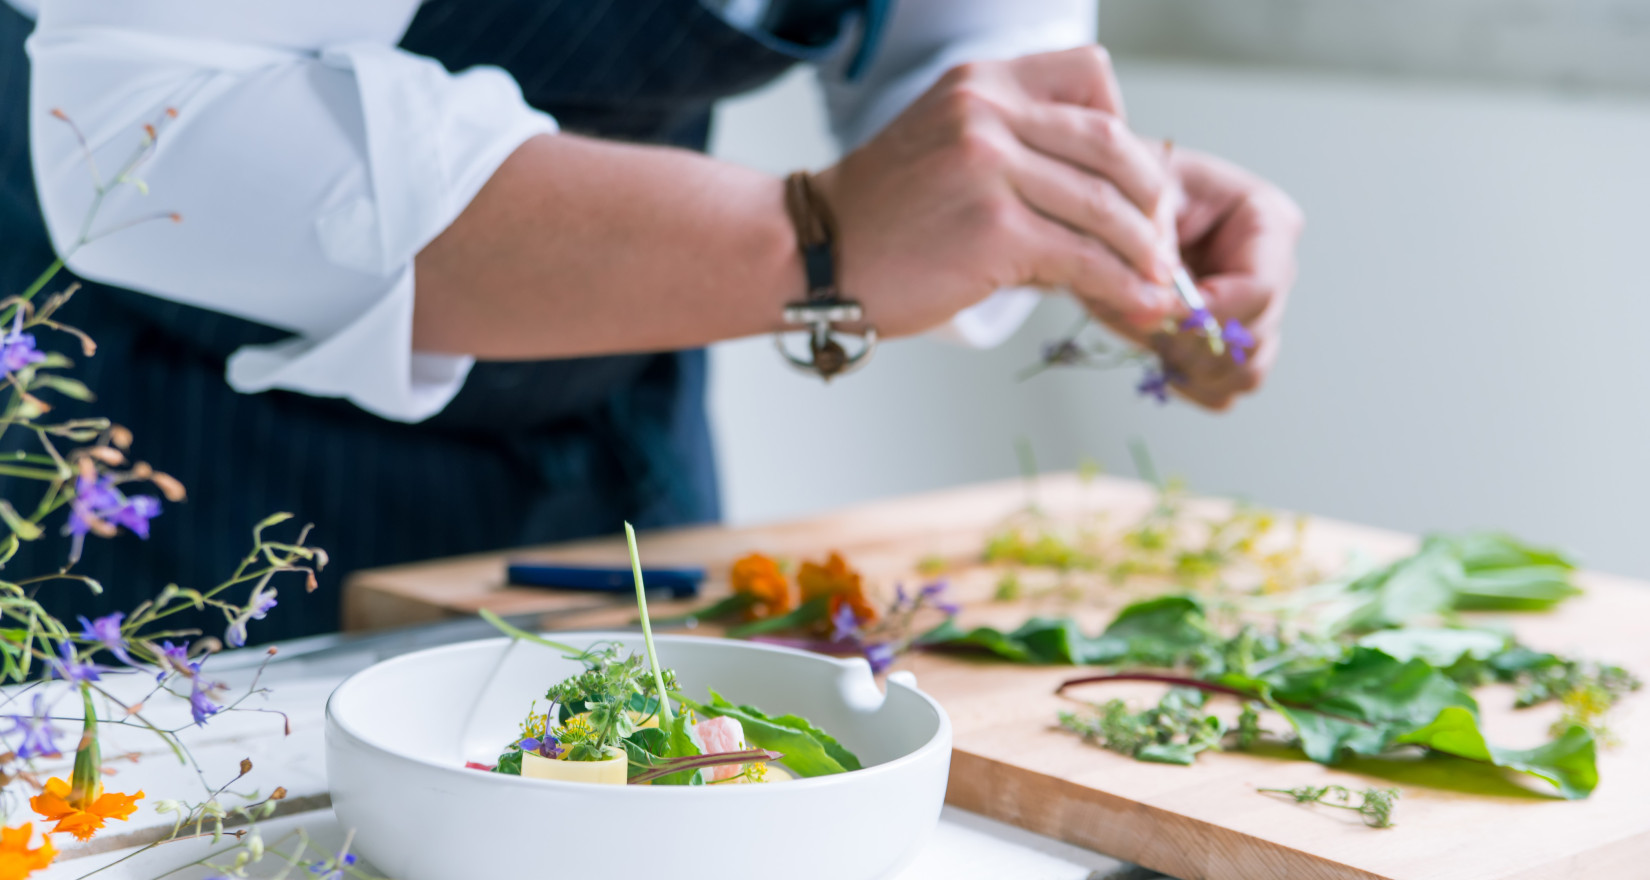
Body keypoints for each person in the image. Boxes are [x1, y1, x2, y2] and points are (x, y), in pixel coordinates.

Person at [0, 0, 1301, 643]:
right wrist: (803, 242)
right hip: (142, 441)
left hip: (607, 429)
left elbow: (960, 48)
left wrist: (1052, 188)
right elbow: (138, 121)